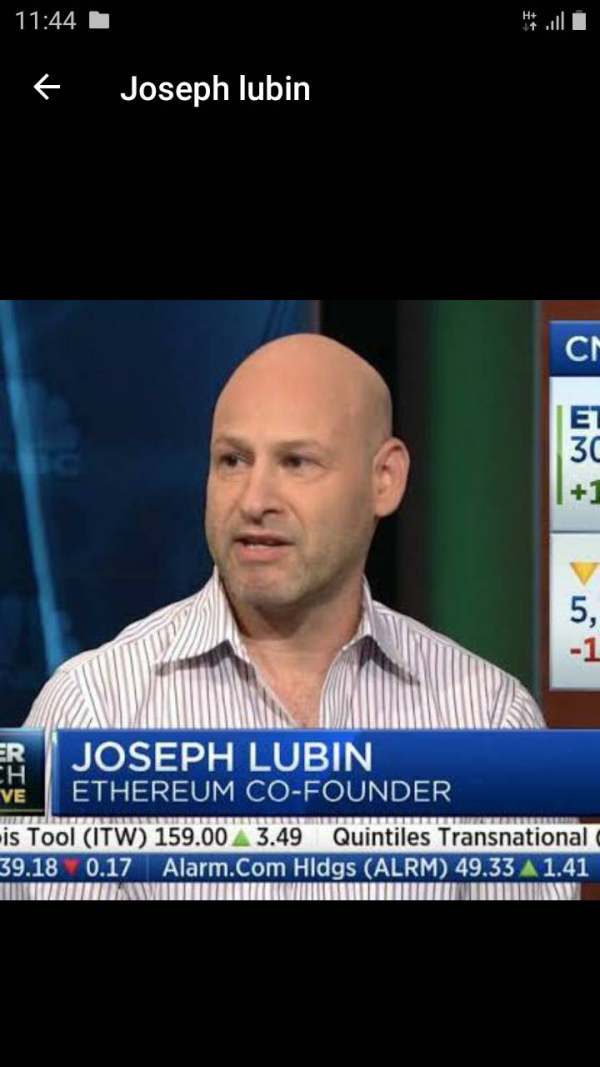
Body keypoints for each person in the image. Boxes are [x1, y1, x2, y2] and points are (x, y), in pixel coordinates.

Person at [4, 333, 578, 900]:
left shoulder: (490, 721)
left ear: (385, 479)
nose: (254, 500)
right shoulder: (86, 713)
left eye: (296, 462)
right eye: (232, 460)